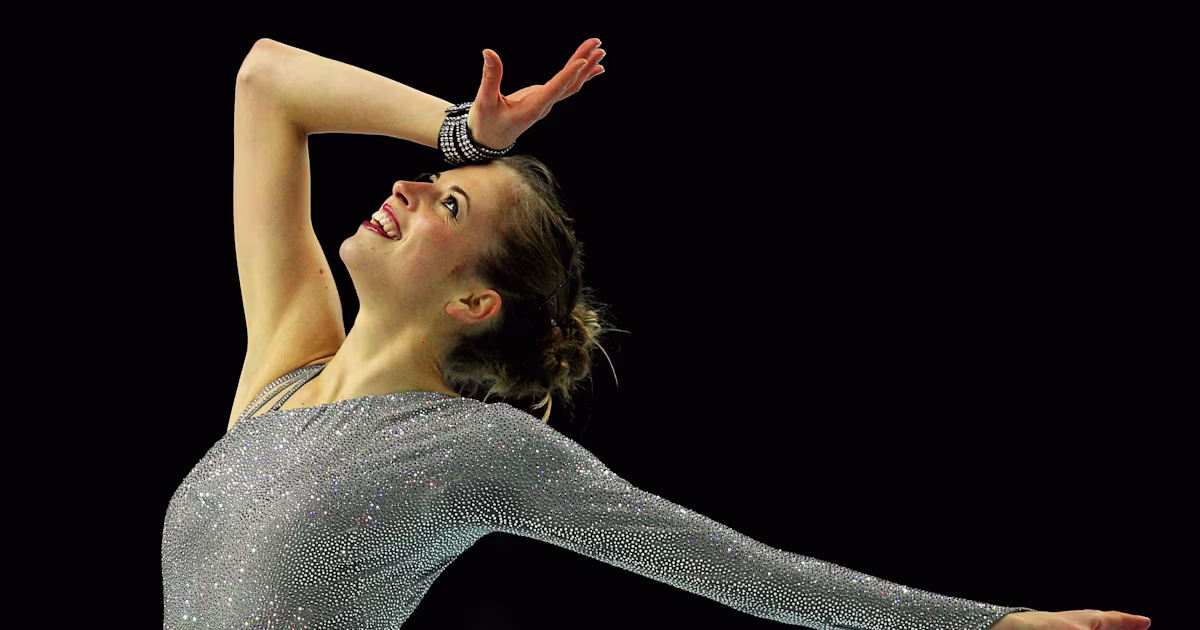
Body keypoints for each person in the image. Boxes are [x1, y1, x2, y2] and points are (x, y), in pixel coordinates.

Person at [161, 38, 1150, 630]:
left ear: (472, 303)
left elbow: (735, 566)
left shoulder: (471, 450)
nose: (409, 184)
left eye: (448, 207)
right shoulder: (283, 378)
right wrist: (464, 132)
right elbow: (267, 81)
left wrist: (990, 625)